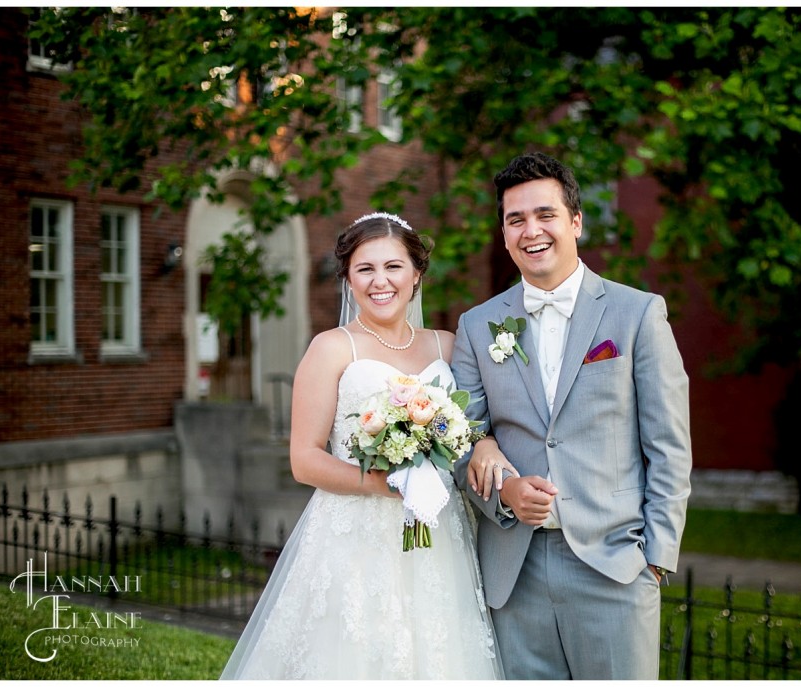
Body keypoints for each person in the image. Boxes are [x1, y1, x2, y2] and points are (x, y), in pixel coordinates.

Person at [221, 212, 507, 680]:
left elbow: (476, 425)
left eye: (394, 267)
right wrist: (383, 483)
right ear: (348, 280)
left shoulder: (449, 347)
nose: (381, 281)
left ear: (416, 274)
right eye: (365, 269)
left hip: (438, 530)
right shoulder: (332, 348)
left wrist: (486, 443)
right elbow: (305, 459)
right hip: (355, 532)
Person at [451, 152, 693, 680]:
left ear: (576, 222)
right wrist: (504, 492)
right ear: (504, 231)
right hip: (514, 569)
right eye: (516, 219)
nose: (531, 231)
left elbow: (670, 446)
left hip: (615, 566)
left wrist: (654, 559)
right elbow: (459, 440)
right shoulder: (477, 326)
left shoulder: (637, 314)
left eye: (545, 215)